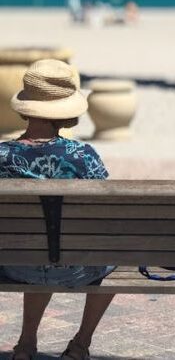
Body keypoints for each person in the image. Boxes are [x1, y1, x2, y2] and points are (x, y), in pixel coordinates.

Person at [0, 59, 115, 360]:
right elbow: (106, 213)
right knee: (123, 254)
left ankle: (26, 345)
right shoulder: (83, 157)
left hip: (15, 266)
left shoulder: (1, 156)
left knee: (40, 248)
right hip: (78, 269)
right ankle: (80, 345)